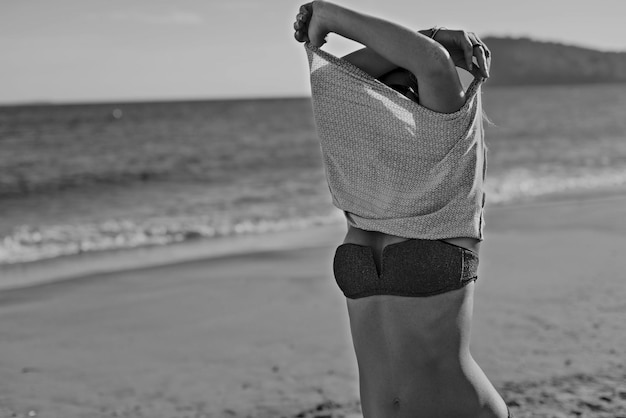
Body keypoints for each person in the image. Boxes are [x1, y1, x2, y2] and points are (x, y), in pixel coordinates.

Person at [294, 2, 513, 418]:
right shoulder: (360, 195)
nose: (392, 101)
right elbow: (333, 78)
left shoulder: (450, 183)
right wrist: (433, 34)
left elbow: (430, 64)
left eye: (404, 90)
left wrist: (329, 15)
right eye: (386, 90)